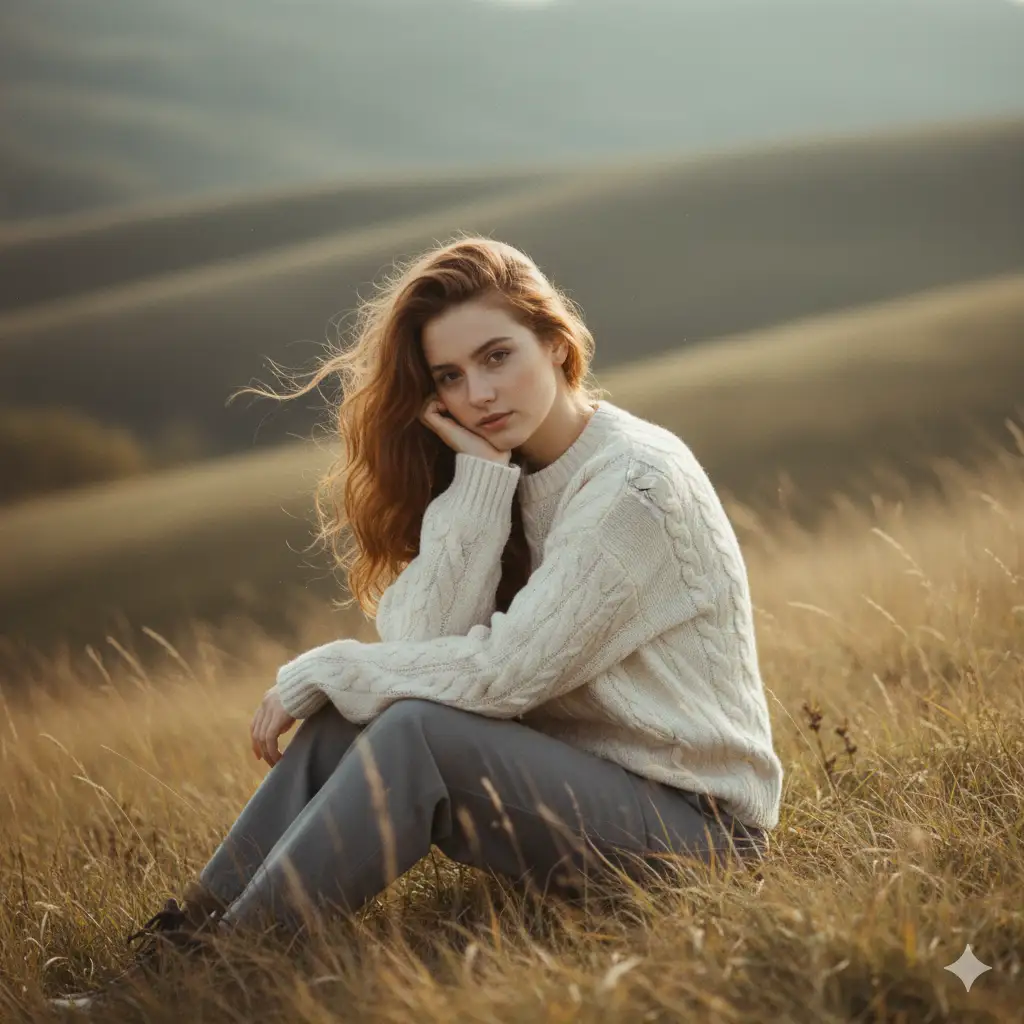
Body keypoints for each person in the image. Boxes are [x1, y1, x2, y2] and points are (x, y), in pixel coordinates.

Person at [53, 235, 783, 1007]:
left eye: (498, 356)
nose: (479, 393)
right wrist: (477, 481)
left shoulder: (632, 485)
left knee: (406, 729)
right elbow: (420, 653)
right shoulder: (512, 472)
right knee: (355, 720)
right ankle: (184, 948)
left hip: (701, 835)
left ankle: (211, 986)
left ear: (557, 344)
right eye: (451, 378)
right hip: (603, 795)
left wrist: (328, 666)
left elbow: (506, 675)